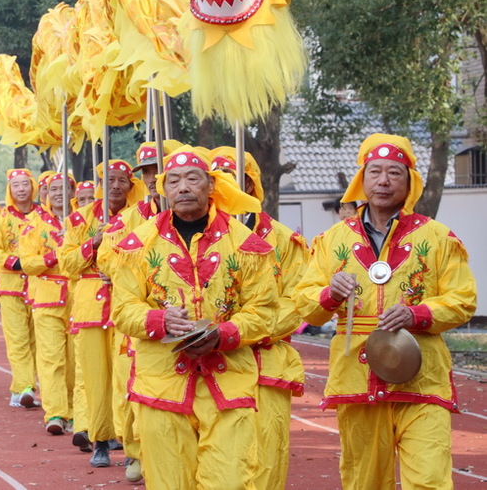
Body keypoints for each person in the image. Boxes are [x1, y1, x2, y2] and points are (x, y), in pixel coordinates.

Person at [294, 134, 477, 490]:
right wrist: (329, 294)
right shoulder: (332, 240)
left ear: (410, 182)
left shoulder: (439, 238)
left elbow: (464, 299)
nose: (383, 181)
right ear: (361, 179)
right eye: (374, 171)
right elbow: (305, 306)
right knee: (364, 481)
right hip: (356, 377)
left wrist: (418, 314)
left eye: (394, 172)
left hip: (422, 377)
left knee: (430, 480)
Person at [110, 145, 278, 489]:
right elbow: (123, 310)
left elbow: (264, 311)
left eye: (192, 178)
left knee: (230, 480)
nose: (183, 187)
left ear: (211, 186)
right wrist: (160, 321)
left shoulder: (246, 245)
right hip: (161, 384)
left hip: (228, 381)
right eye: (173, 180)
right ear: (163, 189)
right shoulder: (136, 246)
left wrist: (224, 333)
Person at [210, 146, 309, 489]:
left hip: (267, 360)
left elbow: (298, 301)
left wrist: (246, 329)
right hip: (215, 362)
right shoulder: (195, 241)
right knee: (220, 460)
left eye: (235, 183)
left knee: (268, 455)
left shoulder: (284, 241)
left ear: (251, 187)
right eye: (218, 184)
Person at [97, 141, 177, 482]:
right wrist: (136, 268)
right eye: (147, 172)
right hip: (138, 313)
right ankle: (135, 451)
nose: (154, 176)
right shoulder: (129, 219)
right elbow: (106, 256)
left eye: (159, 169)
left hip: (183, 318)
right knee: (129, 384)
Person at [60, 159, 145, 466]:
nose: (116, 186)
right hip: (90, 305)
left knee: (126, 375)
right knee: (95, 378)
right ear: (99, 184)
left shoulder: (141, 216)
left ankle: (130, 443)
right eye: (109, 180)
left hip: (126, 303)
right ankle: (99, 439)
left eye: (122, 180)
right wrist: (92, 244)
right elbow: (66, 263)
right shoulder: (80, 218)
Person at [19, 172, 78, 435]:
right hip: (46, 299)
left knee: (76, 360)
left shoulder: (82, 221)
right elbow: (28, 263)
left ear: (73, 192)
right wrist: (56, 255)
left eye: (64, 188)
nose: (58, 193)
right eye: (53, 189)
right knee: (51, 358)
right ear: (45, 193)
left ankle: (78, 411)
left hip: (78, 298)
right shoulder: (34, 224)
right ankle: (55, 412)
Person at [0, 168, 39, 408]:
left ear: (33, 187)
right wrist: (16, 263)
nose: (21, 189)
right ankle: (23, 386)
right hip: (11, 285)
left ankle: (35, 385)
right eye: (16, 185)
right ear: (10, 189)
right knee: (17, 339)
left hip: (40, 286)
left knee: (38, 340)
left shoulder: (43, 215)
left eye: (25, 184)